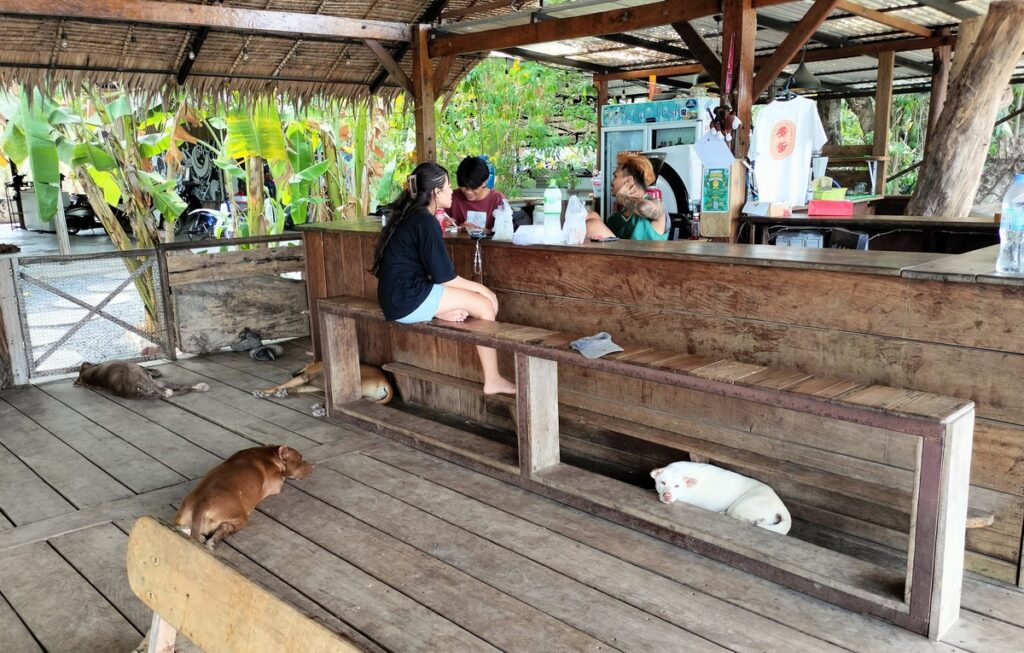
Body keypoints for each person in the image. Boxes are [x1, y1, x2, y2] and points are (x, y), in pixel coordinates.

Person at [371, 162, 517, 395]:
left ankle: (439, 310)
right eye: (448, 187)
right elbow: (445, 278)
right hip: (406, 300)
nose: (452, 192)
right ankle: (493, 379)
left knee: (467, 304)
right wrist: (484, 290)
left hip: (395, 299)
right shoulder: (425, 221)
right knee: (484, 306)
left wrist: (440, 308)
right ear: (436, 193)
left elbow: (432, 275)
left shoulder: (411, 215)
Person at [585, 153, 668, 241]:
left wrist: (622, 198)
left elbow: (644, 208)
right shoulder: (615, 219)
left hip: (644, 254)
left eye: (615, 176)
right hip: (618, 253)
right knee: (591, 215)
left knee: (592, 226)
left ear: (628, 181)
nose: (611, 182)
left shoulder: (658, 206)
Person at [449, 156, 507, 230]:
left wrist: (480, 231)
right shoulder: (451, 197)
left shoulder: (497, 200)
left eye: (474, 187)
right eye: (464, 187)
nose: (468, 192)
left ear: (485, 182)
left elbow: (504, 234)